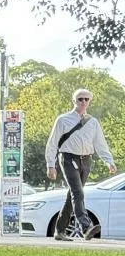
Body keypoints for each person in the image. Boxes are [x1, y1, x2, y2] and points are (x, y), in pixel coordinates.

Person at [45, 90, 117, 239]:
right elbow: (52, 143)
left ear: (89, 101)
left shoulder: (92, 122)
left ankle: (60, 231)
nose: (83, 102)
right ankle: (86, 227)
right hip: (68, 158)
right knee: (78, 193)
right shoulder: (63, 119)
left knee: (73, 195)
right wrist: (50, 165)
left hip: (86, 160)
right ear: (74, 101)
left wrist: (109, 161)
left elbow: (100, 143)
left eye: (86, 99)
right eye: (80, 99)